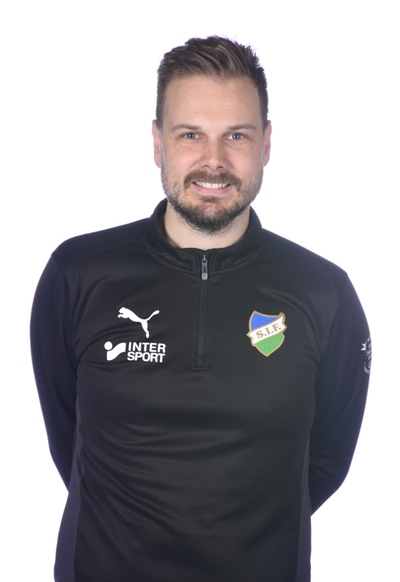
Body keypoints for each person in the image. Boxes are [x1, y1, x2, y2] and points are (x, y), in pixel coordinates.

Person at [30, 36, 371, 582]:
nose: (214, 160)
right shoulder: (79, 273)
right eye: (190, 134)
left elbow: (326, 460)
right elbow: (68, 439)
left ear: (266, 144)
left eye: (236, 135)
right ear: (158, 143)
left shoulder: (323, 292)